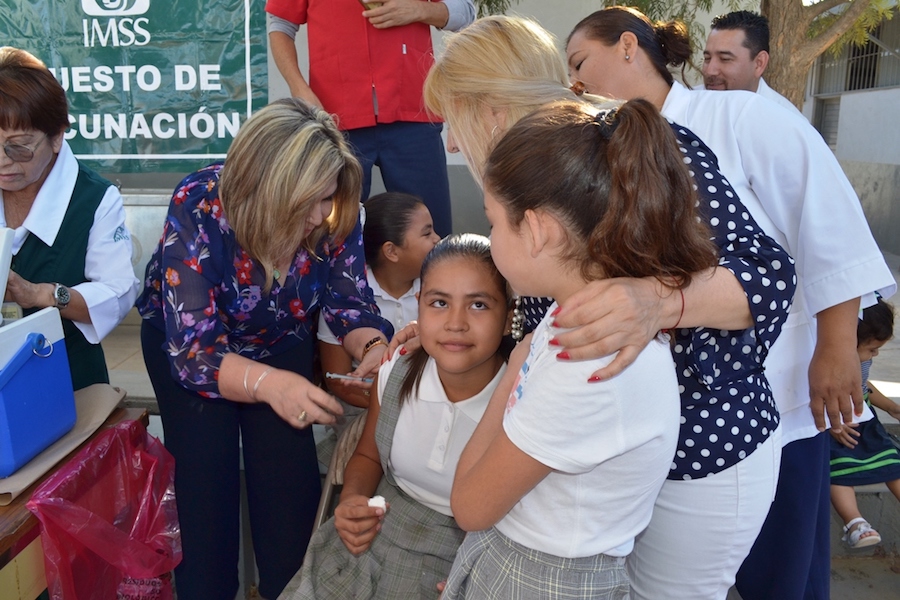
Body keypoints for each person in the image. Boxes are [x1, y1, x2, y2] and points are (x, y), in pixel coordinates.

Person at [421, 15, 794, 599]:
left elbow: (769, 279)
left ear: (490, 109)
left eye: (451, 120)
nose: (448, 141)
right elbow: (537, 327)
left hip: (701, 454)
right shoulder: (531, 193)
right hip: (590, 478)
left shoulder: (619, 143)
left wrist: (655, 300)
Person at [564, 7, 894, 598]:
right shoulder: (605, 149)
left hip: (782, 396)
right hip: (680, 417)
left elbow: (828, 226)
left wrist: (838, 348)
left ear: (627, 48)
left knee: (782, 575)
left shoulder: (742, 115)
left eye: (580, 64)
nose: (577, 85)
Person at [445, 99, 720, 599]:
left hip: (540, 579)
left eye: (494, 222)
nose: (490, 236)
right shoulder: (579, 312)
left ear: (536, 230)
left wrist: (514, 367)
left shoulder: (586, 363)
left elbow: (470, 504)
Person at [136, 98, 394, 600]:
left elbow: (348, 302)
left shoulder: (335, 211)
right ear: (267, 192)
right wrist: (269, 384)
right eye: (310, 202)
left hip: (279, 340)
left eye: (330, 199)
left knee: (287, 488)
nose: (323, 216)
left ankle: (289, 589)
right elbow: (195, 353)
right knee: (203, 485)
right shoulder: (200, 201)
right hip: (193, 350)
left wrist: (374, 344)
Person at [285, 233, 512, 599]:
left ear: (508, 318)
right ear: (419, 307)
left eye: (479, 305)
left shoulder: (519, 401)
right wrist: (352, 502)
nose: (456, 323)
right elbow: (368, 454)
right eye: (439, 302)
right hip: (381, 531)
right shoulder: (398, 371)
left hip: (472, 554)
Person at [264, 0, 476, 237]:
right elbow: (280, 24)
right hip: (336, 121)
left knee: (433, 233)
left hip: (413, 111)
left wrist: (420, 10)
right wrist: (299, 89)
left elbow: (466, 13)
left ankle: (435, 276)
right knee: (331, 235)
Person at [0, 46, 138, 391]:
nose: (3, 161)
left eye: (19, 146)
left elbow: (117, 295)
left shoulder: (92, 200)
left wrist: (38, 294)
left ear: (57, 136)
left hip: (69, 385)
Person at [318, 192, 439, 415]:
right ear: (391, 251)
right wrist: (391, 408)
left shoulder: (440, 291)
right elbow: (336, 380)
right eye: (427, 232)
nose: (437, 239)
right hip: (363, 411)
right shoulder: (344, 300)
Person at [830, 298, 900, 548]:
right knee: (838, 471)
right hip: (836, 425)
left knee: (893, 461)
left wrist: (892, 407)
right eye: (871, 349)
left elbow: (865, 387)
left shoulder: (861, 360)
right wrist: (832, 423)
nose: (875, 355)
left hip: (864, 418)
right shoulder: (825, 363)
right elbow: (809, 395)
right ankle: (855, 523)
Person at [702, 10, 798, 112]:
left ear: (759, 64)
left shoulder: (785, 121)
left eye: (725, 59)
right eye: (707, 58)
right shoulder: (689, 105)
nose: (710, 71)